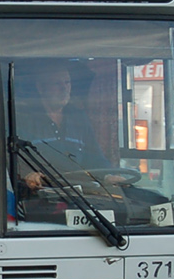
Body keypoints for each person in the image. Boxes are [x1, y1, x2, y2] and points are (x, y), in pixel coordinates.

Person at [14, 63, 122, 192]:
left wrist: (108, 176)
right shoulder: (24, 120)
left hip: (79, 195)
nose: (64, 89)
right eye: (57, 84)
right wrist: (28, 174)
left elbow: (94, 156)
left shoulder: (79, 118)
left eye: (67, 83)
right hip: (38, 194)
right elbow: (13, 157)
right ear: (41, 88)